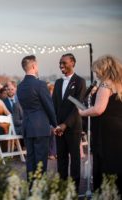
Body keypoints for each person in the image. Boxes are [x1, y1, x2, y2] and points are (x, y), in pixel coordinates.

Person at [78, 55, 122, 193]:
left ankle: (104, 192)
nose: (96, 74)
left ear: (103, 69)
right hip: (119, 127)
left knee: (106, 161)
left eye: (97, 70)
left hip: (107, 131)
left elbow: (98, 109)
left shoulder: (105, 84)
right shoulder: (119, 84)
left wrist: (82, 113)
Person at [17, 55, 57, 177]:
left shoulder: (20, 86)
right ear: (34, 66)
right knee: (40, 161)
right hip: (40, 127)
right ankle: (40, 190)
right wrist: (56, 124)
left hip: (27, 126)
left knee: (31, 160)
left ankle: (31, 189)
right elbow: (49, 106)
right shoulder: (40, 84)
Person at [52, 53, 86, 190]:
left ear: (72, 63)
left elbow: (79, 106)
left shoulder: (80, 81)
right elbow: (53, 104)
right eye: (60, 63)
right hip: (58, 128)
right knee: (61, 159)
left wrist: (65, 125)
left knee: (75, 159)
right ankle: (62, 187)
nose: (61, 65)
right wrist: (55, 124)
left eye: (64, 63)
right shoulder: (58, 82)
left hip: (72, 127)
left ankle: (74, 189)